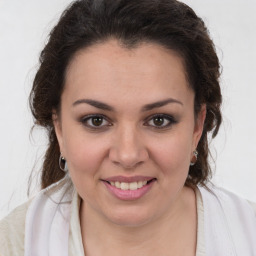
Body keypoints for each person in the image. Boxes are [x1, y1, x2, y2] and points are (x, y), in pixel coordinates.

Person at [0, 0, 255, 255]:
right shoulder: (12, 244)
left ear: (197, 127)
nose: (128, 155)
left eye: (159, 120)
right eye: (96, 120)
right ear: (60, 129)